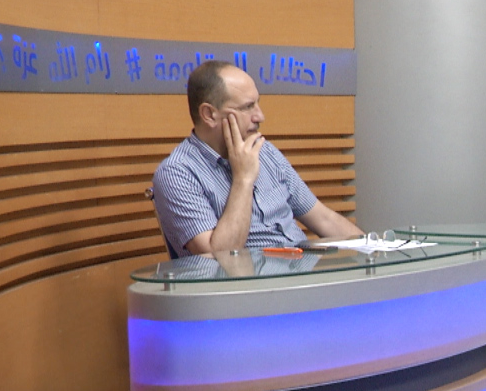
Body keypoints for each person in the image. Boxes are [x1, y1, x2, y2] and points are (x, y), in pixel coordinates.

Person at [152, 60, 363, 257]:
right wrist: (243, 179)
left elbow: (324, 219)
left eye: (257, 104)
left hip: (302, 271)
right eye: (247, 107)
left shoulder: (265, 151)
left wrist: (372, 252)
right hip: (250, 282)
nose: (260, 116)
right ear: (209, 114)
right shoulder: (177, 173)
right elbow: (220, 257)